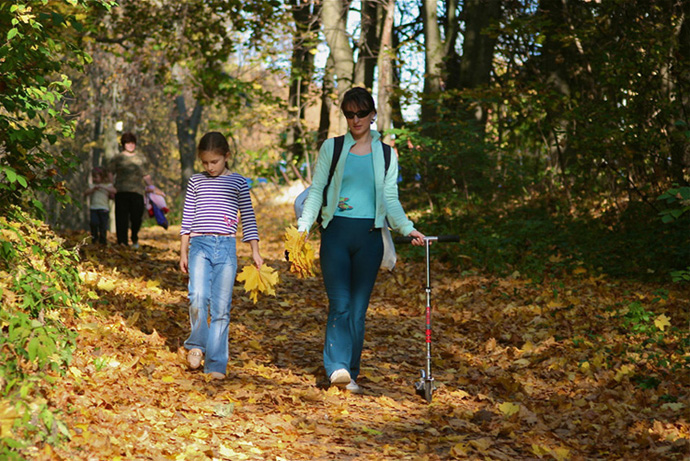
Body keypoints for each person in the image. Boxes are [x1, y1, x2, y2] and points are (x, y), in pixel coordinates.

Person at [297, 87, 425, 393]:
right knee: (339, 304)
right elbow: (316, 191)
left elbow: (390, 199)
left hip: (369, 239)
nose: (355, 120)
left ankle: (350, 372)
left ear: (372, 115)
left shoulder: (386, 153)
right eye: (349, 114)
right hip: (336, 235)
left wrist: (408, 228)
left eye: (361, 114)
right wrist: (302, 229)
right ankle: (336, 367)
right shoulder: (333, 147)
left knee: (357, 310)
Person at [179, 131, 264, 380]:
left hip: (226, 247)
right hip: (199, 245)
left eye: (214, 162)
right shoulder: (196, 181)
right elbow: (187, 218)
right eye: (205, 162)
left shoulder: (238, 182)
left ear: (226, 157)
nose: (209, 167)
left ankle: (216, 363)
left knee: (221, 308)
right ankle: (196, 343)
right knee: (197, 296)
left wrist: (255, 251)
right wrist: (183, 251)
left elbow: (248, 217)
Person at [109, 132, 160, 249]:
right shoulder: (118, 158)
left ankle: (134, 236)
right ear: (123, 144)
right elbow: (110, 172)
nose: (130, 145)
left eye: (132, 143)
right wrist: (111, 186)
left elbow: (145, 175)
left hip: (137, 192)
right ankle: (122, 242)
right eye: (128, 143)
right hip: (121, 191)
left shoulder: (140, 158)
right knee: (121, 218)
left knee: (137, 217)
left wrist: (152, 187)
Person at [83, 166, 116, 245]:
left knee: (103, 225)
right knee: (94, 223)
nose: (94, 179)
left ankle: (103, 240)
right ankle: (94, 238)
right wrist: (93, 189)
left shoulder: (107, 185)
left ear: (102, 177)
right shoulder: (92, 186)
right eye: (93, 177)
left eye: (96, 177)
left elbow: (114, 191)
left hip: (104, 208)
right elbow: (85, 193)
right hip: (94, 208)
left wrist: (103, 187)